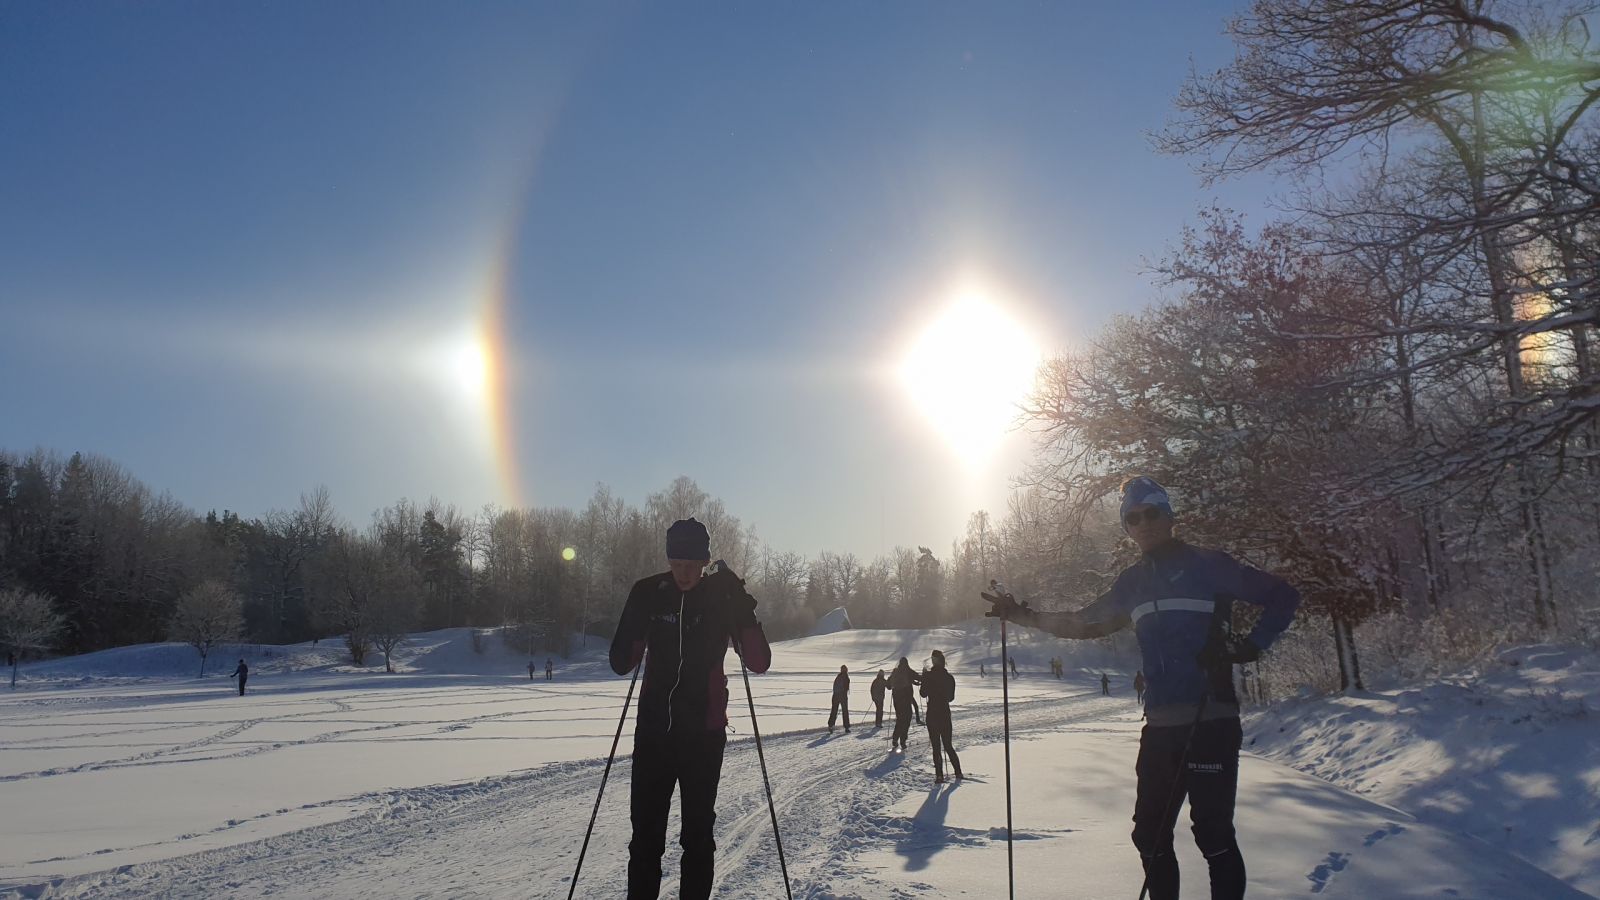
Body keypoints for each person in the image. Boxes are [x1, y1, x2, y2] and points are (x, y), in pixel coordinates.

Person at [985, 476, 1299, 900]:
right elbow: (1084, 621)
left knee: (1213, 836)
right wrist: (1023, 615)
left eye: (1152, 513)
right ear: (1127, 528)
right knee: (1149, 835)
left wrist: (1249, 646)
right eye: (1133, 518)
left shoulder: (1209, 565)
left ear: (1169, 516)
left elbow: (1283, 595)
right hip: (1161, 724)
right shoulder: (1132, 583)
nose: (1144, 523)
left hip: (1211, 719)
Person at [609, 518, 772, 900]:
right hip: (653, 736)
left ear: (705, 561)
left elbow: (759, 661)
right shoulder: (651, 591)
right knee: (645, 840)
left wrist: (743, 608)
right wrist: (636, 612)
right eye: (676, 561)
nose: (683, 571)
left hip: (703, 737)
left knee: (698, 838)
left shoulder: (721, 598)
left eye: (692, 563)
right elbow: (621, 662)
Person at [920, 650, 963, 783]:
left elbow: (922, 693)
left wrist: (925, 678)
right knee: (948, 745)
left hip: (932, 713)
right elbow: (951, 698)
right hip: (944, 712)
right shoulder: (949, 677)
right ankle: (958, 772)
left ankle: (939, 775)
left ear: (934, 661)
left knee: (936, 747)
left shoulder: (928, 676)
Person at [887, 657, 920, 751]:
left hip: (897, 701)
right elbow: (919, 677)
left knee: (900, 719)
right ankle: (903, 740)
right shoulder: (909, 671)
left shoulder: (895, 672)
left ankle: (895, 738)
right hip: (906, 700)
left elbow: (888, 686)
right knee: (907, 719)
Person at [828, 665, 851, 733]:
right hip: (842, 696)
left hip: (835, 696)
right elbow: (846, 688)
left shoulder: (838, 676)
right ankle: (846, 727)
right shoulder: (846, 677)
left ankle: (830, 725)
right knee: (845, 711)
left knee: (834, 710)